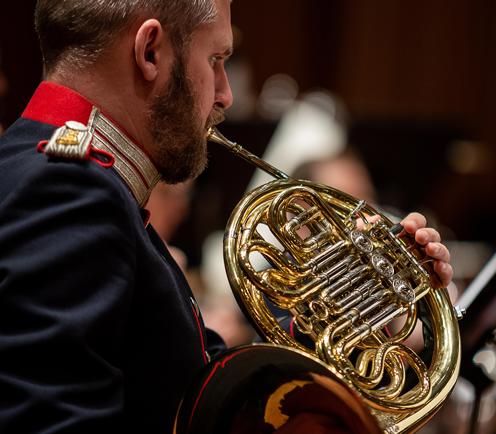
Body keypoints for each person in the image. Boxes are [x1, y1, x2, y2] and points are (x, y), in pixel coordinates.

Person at [0, 1, 453, 433]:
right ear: (150, 51)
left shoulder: (71, 178)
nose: (225, 95)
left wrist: (355, 313)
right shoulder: (67, 191)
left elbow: (196, 390)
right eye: (216, 59)